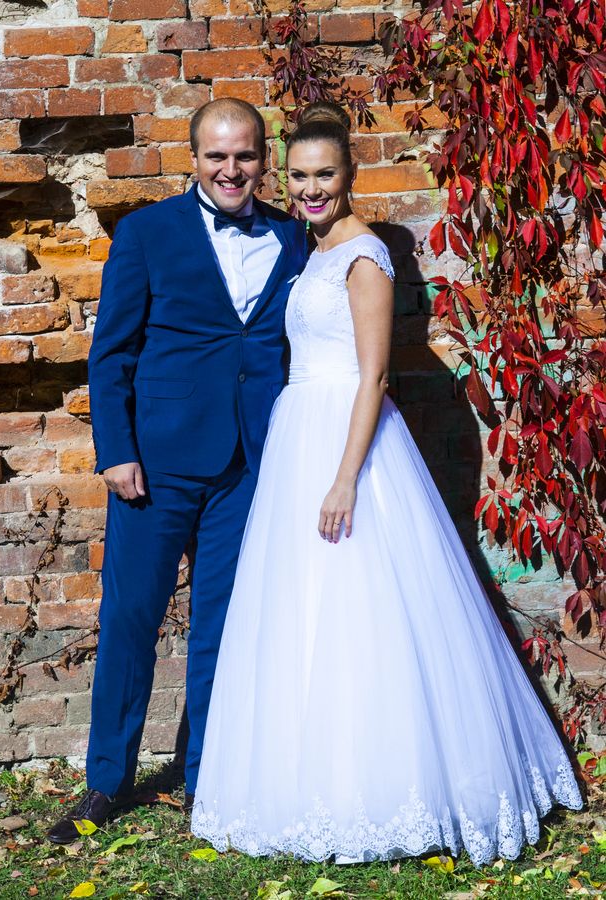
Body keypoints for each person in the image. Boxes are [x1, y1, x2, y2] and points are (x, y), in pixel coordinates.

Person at [191, 102, 583, 866]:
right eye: (299, 176)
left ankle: (389, 786)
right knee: (304, 608)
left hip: (348, 442)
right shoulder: (313, 250)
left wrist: (345, 479)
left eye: (324, 175)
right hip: (300, 434)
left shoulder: (364, 256)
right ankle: (307, 782)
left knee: (365, 606)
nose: (310, 189)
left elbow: (373, 375)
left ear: (350, 175)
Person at [47, 98, 308, 844]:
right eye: (217, 155)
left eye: (245, 155)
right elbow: (112, 353)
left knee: (224, 625)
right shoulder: (146, 233)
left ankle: (206, 779)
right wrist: (116, 450)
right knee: (131, 620)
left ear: (264, 159)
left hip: (250, 464)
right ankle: (106, 782)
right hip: (155, 465)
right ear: (194, 159)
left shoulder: (294, 238)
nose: (232, 169)